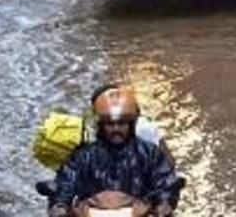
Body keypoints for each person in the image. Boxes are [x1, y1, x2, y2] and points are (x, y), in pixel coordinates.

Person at [48, 86, 179, 217]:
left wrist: (164, 202)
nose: (116, 129)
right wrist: (60, 204)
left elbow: (164, 181)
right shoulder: (84, 155)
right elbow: (66, 181)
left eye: (122, 124)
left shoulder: (150, 153)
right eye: (110, 124)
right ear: (101, 126)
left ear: (131, 125)